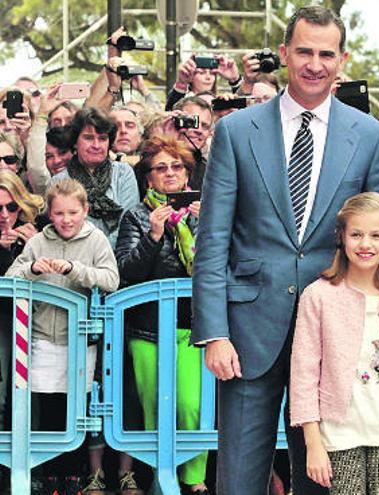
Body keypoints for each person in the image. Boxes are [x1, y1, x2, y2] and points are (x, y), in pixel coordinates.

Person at [191, 6, 379, 494]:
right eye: (304, 51)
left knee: (324, 481)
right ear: (284, 54)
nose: (315, 64)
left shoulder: (369, 136)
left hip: (333, 335)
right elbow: (213, 238)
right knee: (238, 478)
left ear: (342, 60)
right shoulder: (238, 132)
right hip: (246, 336)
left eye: (326, 54)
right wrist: (213, 332)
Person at [289, 193, 379, 495]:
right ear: (342, 238)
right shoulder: (319, 296)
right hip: (339, 435)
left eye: (376, 235)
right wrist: (313, 443)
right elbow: (303, 374)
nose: (366, 244)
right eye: (356, 235)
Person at [5, 178, 120, 492]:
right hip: (42, 336)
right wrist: (33, 269)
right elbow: (12, 275)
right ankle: (46, 473)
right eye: (59, 213)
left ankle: (73, 473)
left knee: (76, 409)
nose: (66, 220)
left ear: (85, 210)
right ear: (50, 215)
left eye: (73, 212)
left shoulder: (96, 240)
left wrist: (75, 269)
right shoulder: (38, 241)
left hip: (80, 340)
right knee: (46, 407)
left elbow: (111, 278)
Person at [115, 135, 208, 494]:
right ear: (148, 177)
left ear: (188, 173)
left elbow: (221, 266)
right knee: (155, 408)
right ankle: (160, 477)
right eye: (160, 168)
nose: (169, 173)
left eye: (177, 166)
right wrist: (154, 235)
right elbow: (128, 271)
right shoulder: (137, 216)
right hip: (148, 330)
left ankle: (194, 480)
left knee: (191, 406)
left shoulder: (207, 210)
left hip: (194, 327)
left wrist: (208, 225)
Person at [50, 107, 140, 247]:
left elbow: (127, 224)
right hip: (75, 258)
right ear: (75, 142)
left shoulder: (123, 173)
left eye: (103, 138)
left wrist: (99, 253)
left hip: (119, 255)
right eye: (89, 138)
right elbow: (60, 230)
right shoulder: (58, 181)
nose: (96, 145)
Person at [0, 171, 44, 438]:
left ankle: (32, 471)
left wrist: (33, 248)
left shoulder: (37, 229)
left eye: (11, 207)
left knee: (32, 397)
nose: (5, 215)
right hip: (4, 321)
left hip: (34, 320)